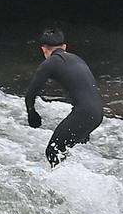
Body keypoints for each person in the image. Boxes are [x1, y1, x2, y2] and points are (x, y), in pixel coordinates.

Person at [25, 29, 104, 167]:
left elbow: (30, 94)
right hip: (97, 113)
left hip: (84, 113)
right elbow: (87, 89)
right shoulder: (77, 59)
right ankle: (72, 179)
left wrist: (32, 114)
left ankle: (58, 186)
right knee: (62, 151)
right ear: (64, 47)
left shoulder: (50, 63)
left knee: (52, 151)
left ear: (44, 50)